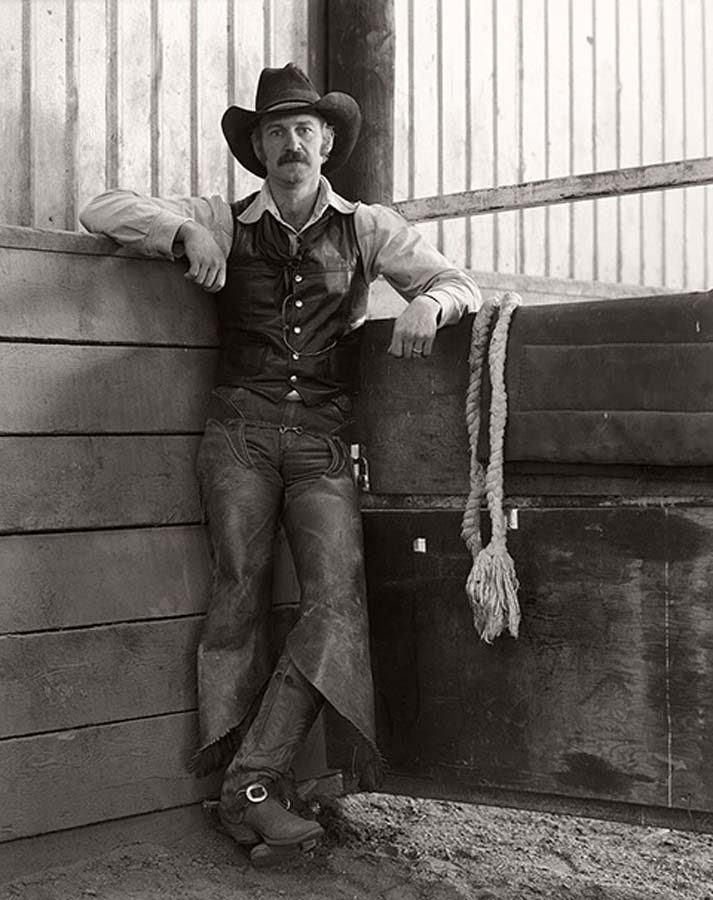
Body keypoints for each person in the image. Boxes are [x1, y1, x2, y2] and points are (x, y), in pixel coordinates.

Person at [80, 62, 480, 866]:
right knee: (237, 598)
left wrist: (432, 302)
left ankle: (252, 783)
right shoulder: (223, 218)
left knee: (334, 605)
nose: (290, 144)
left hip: (324, 442)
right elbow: (99, 206)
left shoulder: (366, 225)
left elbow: (451, 278)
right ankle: (247, 797)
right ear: (256, 149)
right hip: (238, 434)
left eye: (303, 129)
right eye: (274, 132)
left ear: (326, 142)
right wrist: (183, 233)